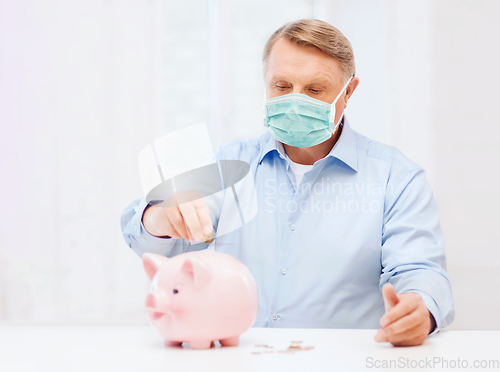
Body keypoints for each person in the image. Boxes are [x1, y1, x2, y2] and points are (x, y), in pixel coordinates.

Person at [121, 19, 454, 347]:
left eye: (314, 90)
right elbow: (154, 247)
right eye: (281, 87)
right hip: (239, 361)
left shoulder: (396, 178)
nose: (295, 101)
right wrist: (159, 218)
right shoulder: (230, 166)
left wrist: (420, 309)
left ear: (349, 91)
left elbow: (419, 269)